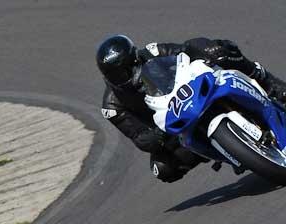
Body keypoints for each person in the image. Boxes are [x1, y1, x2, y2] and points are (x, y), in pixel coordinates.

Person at [97, 35, 286, 183]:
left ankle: (271, 84)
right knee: (162, 168)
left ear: (135, 57)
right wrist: (156, 135)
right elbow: (139, 138)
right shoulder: (113, 107)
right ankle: (226, 150)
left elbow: (186, 49)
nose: (129, 75)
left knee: (221, 51)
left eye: (130, 67)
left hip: (189, 88)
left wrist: (207, 53)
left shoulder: (152, 52)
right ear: (108, 77)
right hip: (169, 126)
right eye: (119, 74)